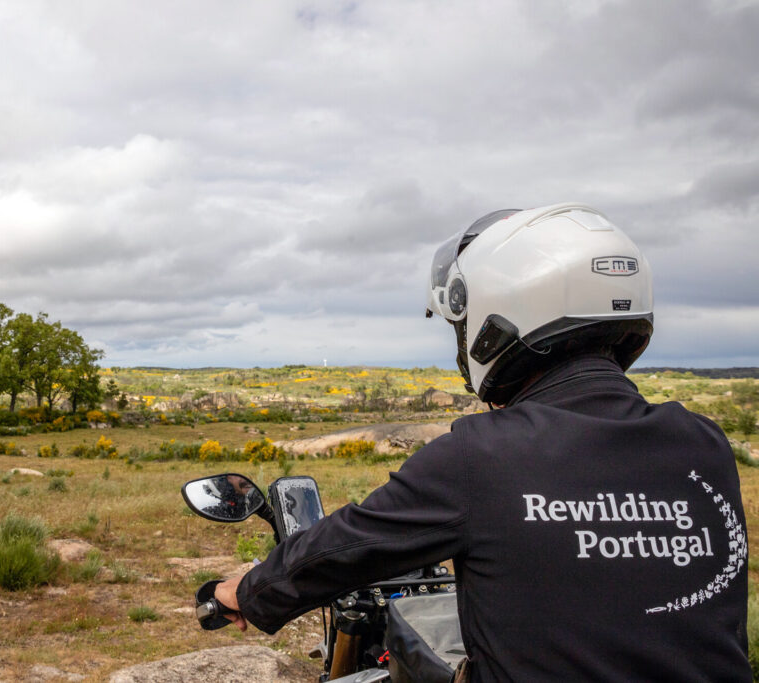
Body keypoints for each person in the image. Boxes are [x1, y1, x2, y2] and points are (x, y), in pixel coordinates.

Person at [211, 203, 750, 680]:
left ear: (499, 317)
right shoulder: (703, 442)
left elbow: (349, 543)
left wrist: (247, 592)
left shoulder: (482, 454)